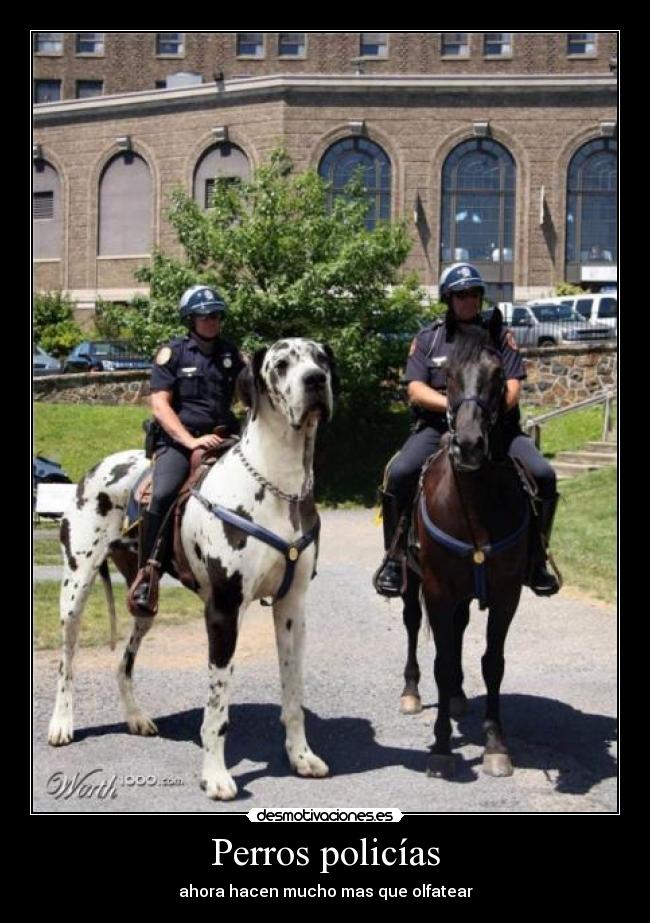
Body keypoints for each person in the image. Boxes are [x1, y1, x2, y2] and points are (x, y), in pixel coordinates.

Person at [373, 262, 560, 599]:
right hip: (436, 427)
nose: (469, 300)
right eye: (461, 294)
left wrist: (481, 414)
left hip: (497, 427)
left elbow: (514, 389)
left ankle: (537, 559)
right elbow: (415, 389)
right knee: (398, 473)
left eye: (475, 293)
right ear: (448, 298)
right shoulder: (429, 339)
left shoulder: (499, 336)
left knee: (544, 475)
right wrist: (458, 409)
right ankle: (394, 557)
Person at [129, 284, 246, 615]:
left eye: (216, 315)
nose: (212, 321)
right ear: (190, 319)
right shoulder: (173, 354)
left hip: (225, 439)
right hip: (181, 443)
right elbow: (160, 406)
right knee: (164, 493)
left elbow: (250, 393)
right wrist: (190, 441)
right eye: (205, 316)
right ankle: (148, 574)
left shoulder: (231, 354)